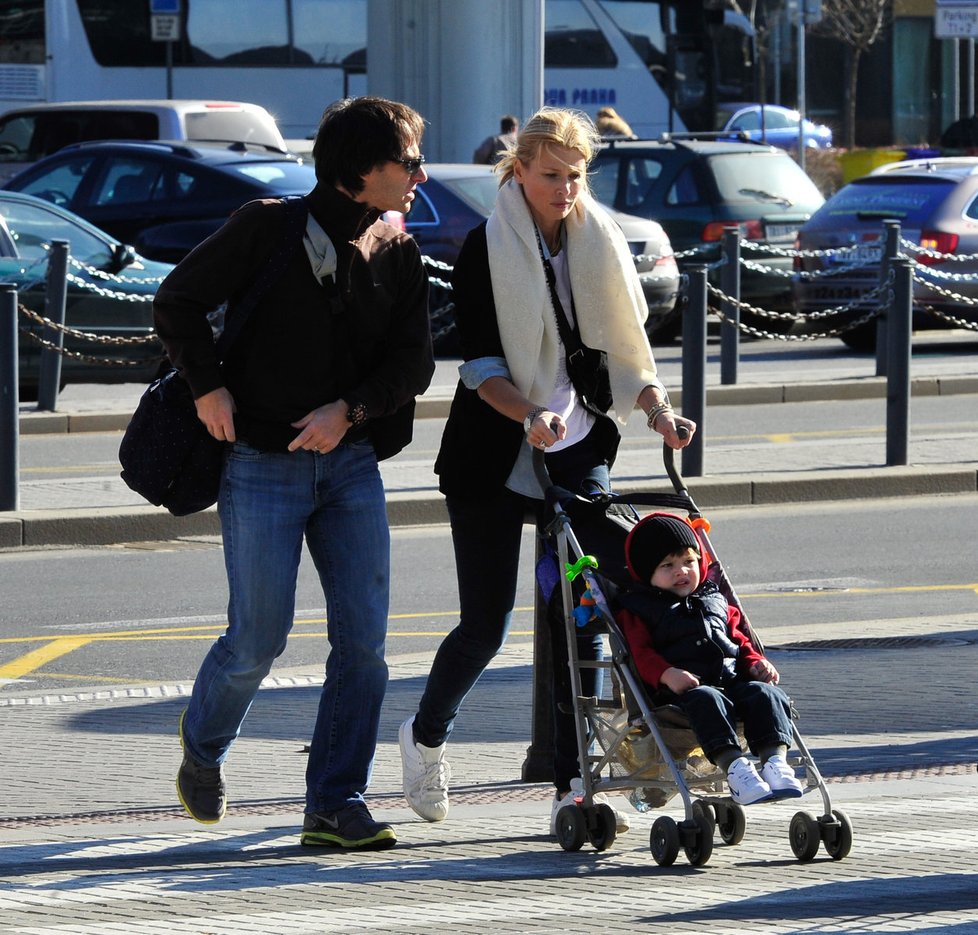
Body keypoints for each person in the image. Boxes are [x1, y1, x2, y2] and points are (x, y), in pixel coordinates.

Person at [398, 106, 696, 835]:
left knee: (586, 619)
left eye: (576, 175)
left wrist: (659, 410)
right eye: (551, 174)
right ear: (519, 170)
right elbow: (480, 366)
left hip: (581, 446)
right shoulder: (483, 247)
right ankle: (426, 736)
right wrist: (527, 412)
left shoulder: (600, 241)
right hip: (493, 454)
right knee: (486, 623)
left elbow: (627, 353)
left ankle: (578, 785)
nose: (566, 188)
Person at [153, 96, 435, 850]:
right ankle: (203, 743)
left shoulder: (399, 249)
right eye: (407, 161)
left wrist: (352, 408)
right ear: (358, 173)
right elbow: (176, 301)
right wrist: (207, 386)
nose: (420, 174)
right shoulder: (266, 228)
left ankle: (334, 801)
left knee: (365, 645)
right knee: (258, 638)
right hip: (260, 465)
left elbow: (415, 362)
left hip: (349, 467)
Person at [615, 512, 805, 805]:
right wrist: (667, 674)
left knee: (766, 694)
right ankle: (736, 768)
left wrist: (755, 662)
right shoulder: (640, 608)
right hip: (682, 693)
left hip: (731, 681)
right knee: (707, 699)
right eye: (668, 566)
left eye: (689, 562)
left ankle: (774, 762)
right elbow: (641, 654)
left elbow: (738, 640)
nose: (682, 571)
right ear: (647, 574)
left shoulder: (714, 598)